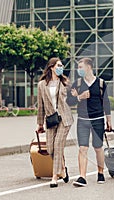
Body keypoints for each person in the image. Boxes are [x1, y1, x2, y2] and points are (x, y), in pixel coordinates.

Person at [67, 57, 112, 187]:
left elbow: (106, 102)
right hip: (82, 120)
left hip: (98, 120)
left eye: (80, 67)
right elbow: (69, 102)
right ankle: (82, 177)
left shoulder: (101, 83)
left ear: (89, 67)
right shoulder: (78, 83)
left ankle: (100, 172)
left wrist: (109, 120)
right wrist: (79, 97)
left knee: (98, 148)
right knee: (82, 148)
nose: (78, 70)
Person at [36, 57, 74, 188]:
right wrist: (40, 124)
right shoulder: (41, 85)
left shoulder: (65, 83)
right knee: (51, 149)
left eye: (61, 65)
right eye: (58, 65)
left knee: (58, 145)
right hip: (51, 119)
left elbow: (72, 99)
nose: (60, 67)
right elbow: (40, 106)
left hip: (64, 118)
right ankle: (62, 169)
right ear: (51, 67)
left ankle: (54, 177)